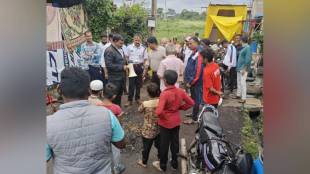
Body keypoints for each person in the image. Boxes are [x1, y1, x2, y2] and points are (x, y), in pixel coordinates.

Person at [46, 67, 125, 174]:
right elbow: (121, 144)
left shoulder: (48, 124)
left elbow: (45, 158)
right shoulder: (106, 115)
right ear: (88, 90)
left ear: (60, 90)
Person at [152, 70, 194, 172]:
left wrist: (164, 116)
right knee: (175, 143)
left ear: (165, 81)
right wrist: (181, 108)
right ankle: (174, 163)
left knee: (164, 144)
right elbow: (191, 103)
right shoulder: (180, 91)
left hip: (165, 124)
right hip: (176, 121)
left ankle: (163, 165)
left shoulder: (164, 94)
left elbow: (158, 112)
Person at [97, 83, 126, 174]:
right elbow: (120, 122)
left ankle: (107, 168)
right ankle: (117, 167)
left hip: (101, 134)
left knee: (104, 152)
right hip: (113, 134)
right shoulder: (117, 108)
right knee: (116, 152)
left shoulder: (97, 106)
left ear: (102, 93)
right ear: (114, 96)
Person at [137, 83, 161, 168]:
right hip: (158, 129)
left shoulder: (145, 103)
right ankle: (160, 159)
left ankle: (144, 162)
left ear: (148, 93)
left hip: (147, 130)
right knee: (159, 145)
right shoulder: (161, 101)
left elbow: (139, 110)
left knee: (146, 148)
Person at [183, 37, 204, 124]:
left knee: (196, 100)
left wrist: (191, 82)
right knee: (194, 98)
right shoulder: (195, 52)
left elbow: (198, 70)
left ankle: (194, 119)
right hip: (193, 81)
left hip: (196, 82)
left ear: (196, 43)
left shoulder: (199, 53)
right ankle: (193, 114)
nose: (189, 45)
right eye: (188, 43)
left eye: (191, 43)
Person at [125, 34, 148, 106]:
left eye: (138, 40)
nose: (137, 41)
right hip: (131, 66)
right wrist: (128, 65)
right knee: (131, 84)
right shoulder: (129, 47)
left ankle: (137, 98)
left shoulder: (144, 48)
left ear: (140, 40)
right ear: (133, 40)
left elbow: (145, 59)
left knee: (139, 84)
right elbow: (126, 57)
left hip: (139, 66)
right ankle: (129, 100)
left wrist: (144, 69)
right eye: (136, 40)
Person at [104, 34, 128, 106]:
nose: (122, 45)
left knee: (119, 95)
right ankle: (114, 111)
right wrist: (122, 67)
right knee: (114, 96)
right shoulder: (109, 51)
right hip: (114, 79)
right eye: (120, 43)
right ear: (114, 41)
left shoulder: (119, 49)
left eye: (122, 43)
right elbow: (109, 65)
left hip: (120, 78)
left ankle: (118, 109)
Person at [236, 35, 252, 103]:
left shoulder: (247, 48)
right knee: (239, 81)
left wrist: (244, 69)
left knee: (242, 83)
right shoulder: (244, 47)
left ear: (242, 40)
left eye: (240, 39)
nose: (239, 40)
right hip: (239, 67)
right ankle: (238, 95)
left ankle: (244, 98)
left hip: (243, 68)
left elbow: (248, 59)